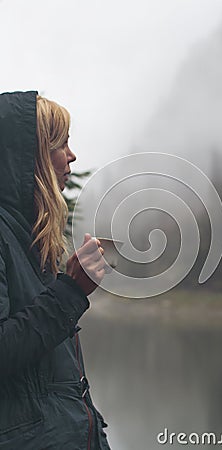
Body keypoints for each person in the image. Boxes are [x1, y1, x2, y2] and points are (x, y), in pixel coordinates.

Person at [0, 91, 111, 450]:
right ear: (25, 158)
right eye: (60, 144)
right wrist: (71, 292)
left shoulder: (30, 238)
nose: (72, 156)